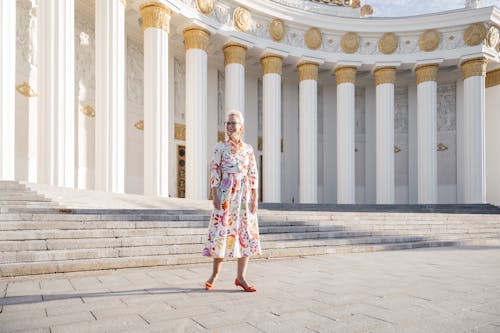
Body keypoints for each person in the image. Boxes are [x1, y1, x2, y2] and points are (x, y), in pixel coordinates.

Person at [202, 110, 261, 292]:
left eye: (233, 123)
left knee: (245, 234)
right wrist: (214, 191)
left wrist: (255, 196)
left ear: (241, 126)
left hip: (244, 195)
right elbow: (215, 168)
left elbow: (252, 172)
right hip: (227, 192)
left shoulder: (248, 149)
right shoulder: (220, 147)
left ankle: (241, 277)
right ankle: (215, 274)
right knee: (222, 231)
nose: (229, 126)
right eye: (228, 123)